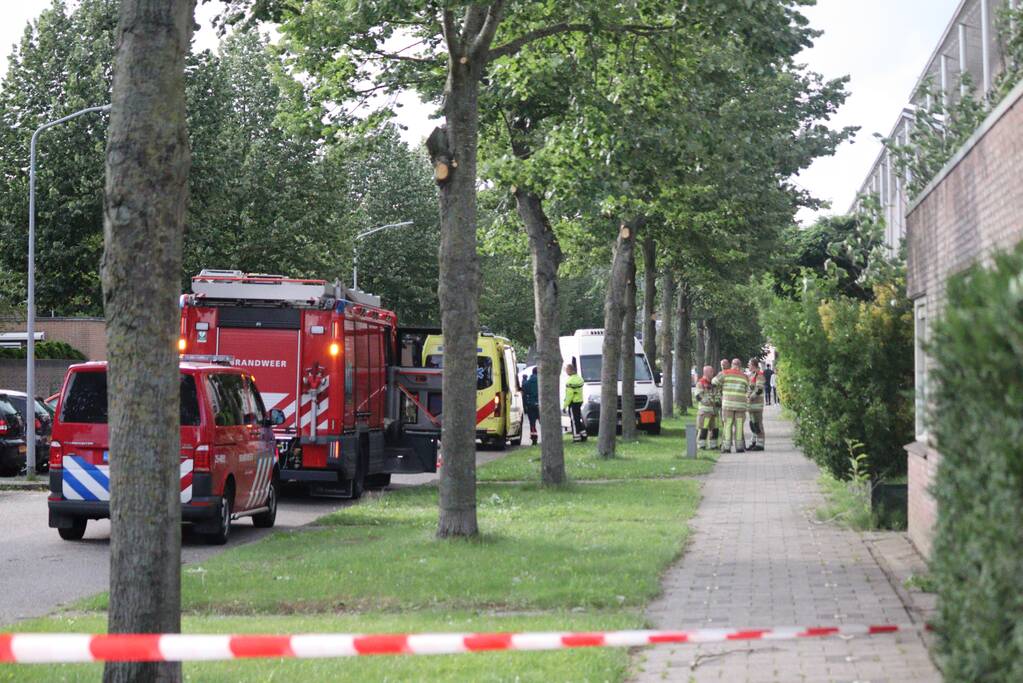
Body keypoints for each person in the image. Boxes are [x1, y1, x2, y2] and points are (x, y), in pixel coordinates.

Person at [713, 358, 749, 453]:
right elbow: (747, 390)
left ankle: (727, 447)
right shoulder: (744, 376)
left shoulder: (725, 373)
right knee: (739, 425)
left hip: (728, 404)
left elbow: (714, 382)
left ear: (732, 364)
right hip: (740, 405)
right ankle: (739, 447)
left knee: (728, 424)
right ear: (740, 365)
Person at [695, 365, 720, 450]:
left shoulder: (713, 384)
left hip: (714, 412)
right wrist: (707, 402)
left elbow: (717, 395)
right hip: (705, 411)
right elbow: (698, 396)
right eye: (711, 371)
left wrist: (718, 402)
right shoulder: (701, 382)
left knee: (715, 429)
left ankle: (713, 445)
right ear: (706, 372)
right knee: (703, 429)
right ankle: (701, 446)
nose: (713, 373)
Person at [563, 363, 586, 442]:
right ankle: (583, 434)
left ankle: (576, 437)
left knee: (573, 420)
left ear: (570, 370)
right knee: (578, 419)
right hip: (579, 401)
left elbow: (569, 395)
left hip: (573, 403)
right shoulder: (579, 379)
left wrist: (564, 406)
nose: (566, 372)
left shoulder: (570, 381)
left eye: (566, 370)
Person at [746, 359, 766, 451]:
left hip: (757, 404)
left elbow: (759, 389)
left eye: (749, 364)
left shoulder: (759, 375)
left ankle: (760, 445)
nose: (748, 366)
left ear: (753, 365)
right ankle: (754, 443)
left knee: (758, 424)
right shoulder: (752, 375)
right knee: (752, 424)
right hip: (751, 406)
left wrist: (751, 397)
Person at [522, 367, 540, 445]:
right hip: (541, 405)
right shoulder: (542, 382)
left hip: (531, 404)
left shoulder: (527, 383)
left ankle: (534, 439)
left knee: (532, 423)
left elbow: (524, 394)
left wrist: (525, 405)